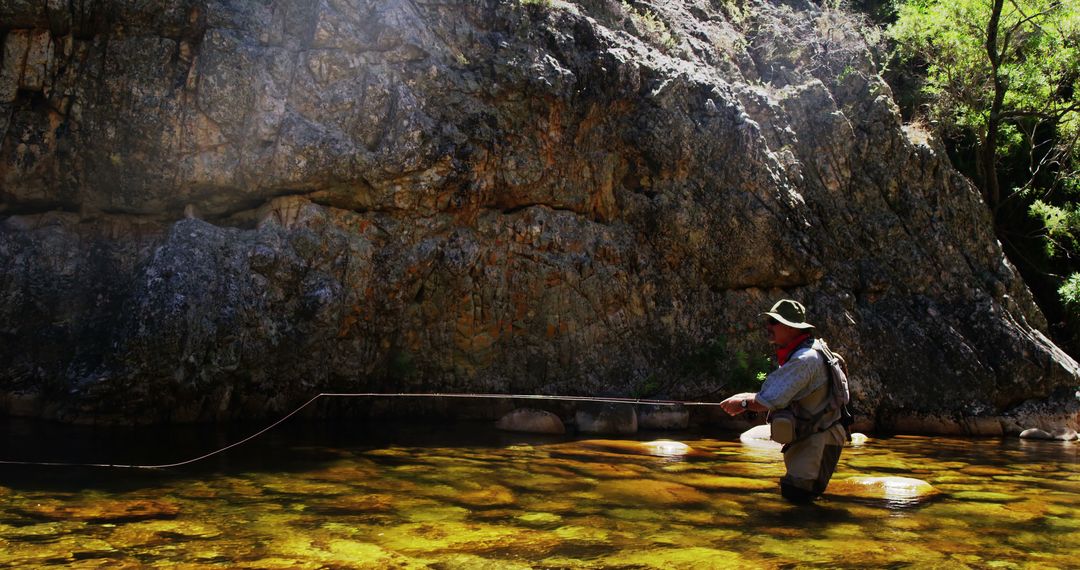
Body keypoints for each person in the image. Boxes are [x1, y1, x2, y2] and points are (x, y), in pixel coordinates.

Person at [720, 299, 847, 504]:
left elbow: (771, 400)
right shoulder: (807, 351)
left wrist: (743, 404)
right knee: (798, 503)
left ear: (790, 327)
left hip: (817, 444)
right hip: (815, 440)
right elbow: (778, 392)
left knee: (798, 503)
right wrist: (744, 397)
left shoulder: (804, 359)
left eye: (772, 321)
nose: (768, 326)